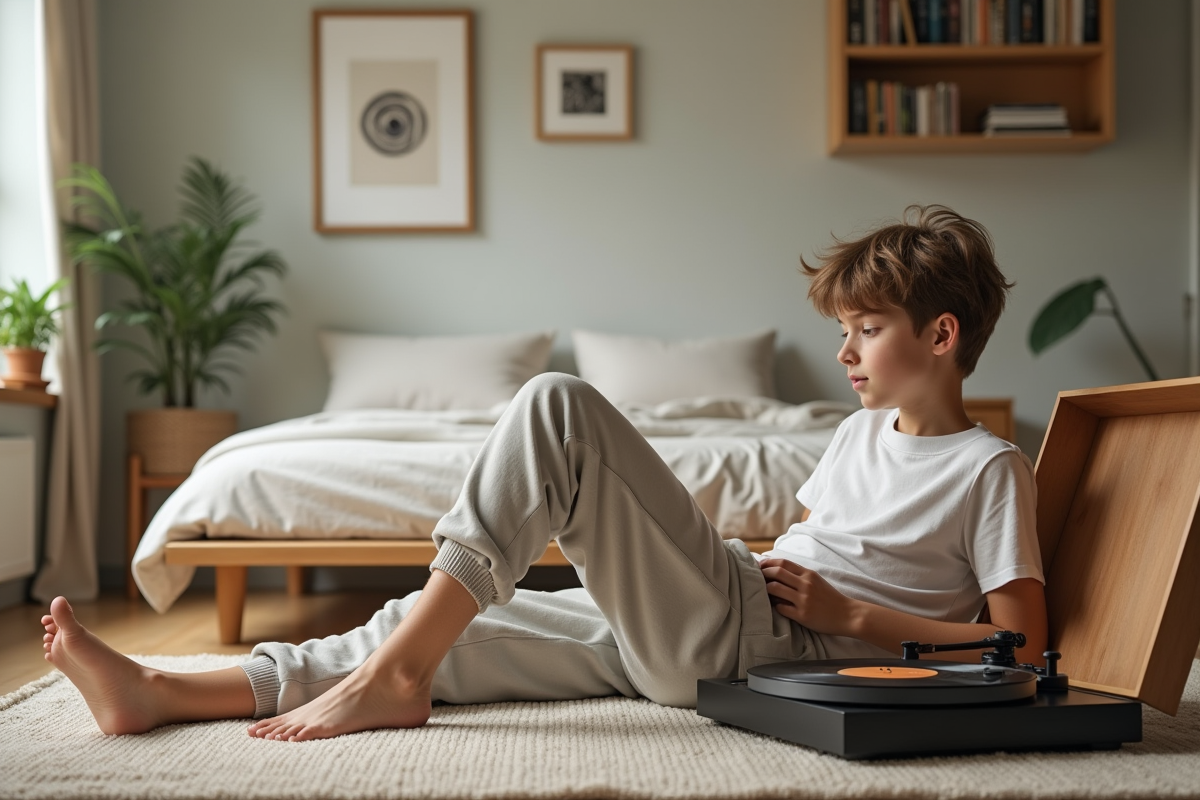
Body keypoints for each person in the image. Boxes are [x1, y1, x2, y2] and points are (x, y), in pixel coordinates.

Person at [41, 204, 1046, 742]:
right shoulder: (856, 431)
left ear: (942, 334)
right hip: (731, 610)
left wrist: (861, 621)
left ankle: (392, 679)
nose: (846, 353)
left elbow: (1023, 646)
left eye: (867, 330)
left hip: (778, 642)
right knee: (434, 624)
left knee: (555, 405)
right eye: (844, 331)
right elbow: (814, 543)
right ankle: (165, 692)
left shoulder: (991, 467)